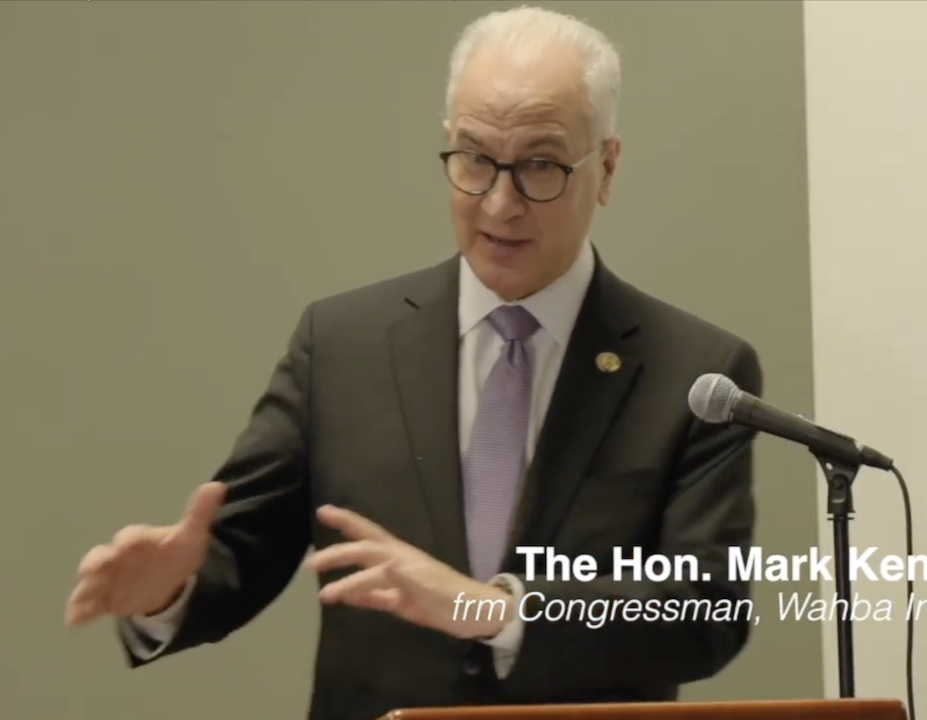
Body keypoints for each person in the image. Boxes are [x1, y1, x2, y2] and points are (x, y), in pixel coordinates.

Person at [64, 5, 763, 720]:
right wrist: (166, 589)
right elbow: (242, 554)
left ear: (607, 167)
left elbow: (703, 611)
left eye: (540, 166)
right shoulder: (340, 346)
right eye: (474, 159)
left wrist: (492, 610)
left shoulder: (699, 375)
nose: (499, 202)